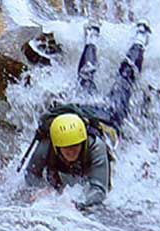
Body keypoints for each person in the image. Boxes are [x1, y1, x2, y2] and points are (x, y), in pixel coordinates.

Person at [24, 20, 151, 210]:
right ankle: (91, 38)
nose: (72, 152)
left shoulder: (94, 146)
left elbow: (99, 190)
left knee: (124, 79)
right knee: (85, 76)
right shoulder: (47, 144)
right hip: (86, 108)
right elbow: (30, 174)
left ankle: (140, 40)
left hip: (109, 116)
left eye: (75, 147)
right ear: (57, 146)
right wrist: (45, 190)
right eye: (67, 149)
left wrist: (77, 203)